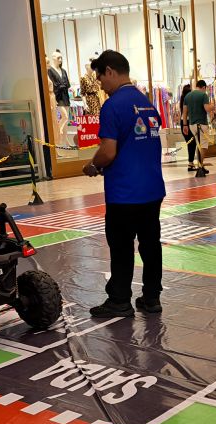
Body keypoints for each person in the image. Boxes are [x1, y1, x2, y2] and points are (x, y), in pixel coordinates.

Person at [82, 50, 166, 317]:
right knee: (150, 245)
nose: (100, 85)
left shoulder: (113, 106)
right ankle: (151, 297)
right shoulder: (147, 103)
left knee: (121, 247)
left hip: (125, 192)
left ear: (109, 71)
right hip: (152, 189)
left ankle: (119, 299)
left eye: (100, 78)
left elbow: (108, 151)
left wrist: (93, 165)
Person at [183, 80, 215, 176]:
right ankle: (200, 167)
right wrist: (212, 106)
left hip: (191, 125)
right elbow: (207, 109)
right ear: (204, 87)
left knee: (199, 145)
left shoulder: (187, 96)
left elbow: (184, 112)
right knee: (204, 146)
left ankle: (201, 165)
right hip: (201, 124)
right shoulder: (203, 95)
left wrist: (185, 125)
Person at [179, 84, 197, 171]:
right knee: (192, 143)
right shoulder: (187, 101)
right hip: (186, 123)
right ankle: (190, 163)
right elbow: (186, 114)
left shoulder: (183, 100)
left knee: (192, 143)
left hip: (185, 122)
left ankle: (191, 163)